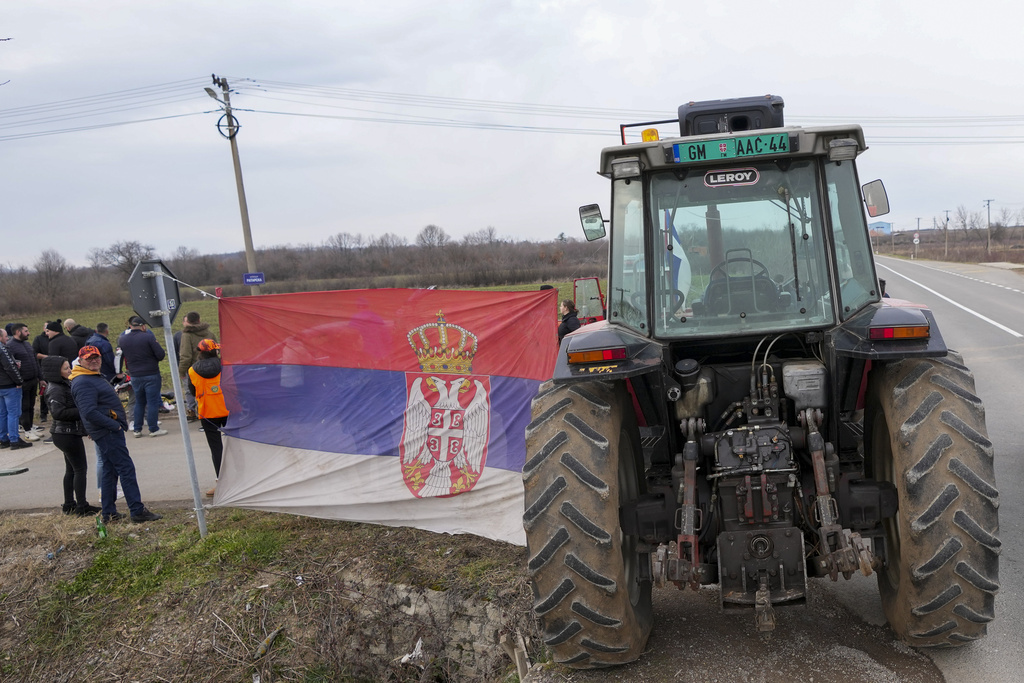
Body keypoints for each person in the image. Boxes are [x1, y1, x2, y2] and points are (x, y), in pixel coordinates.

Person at [70, 346, 162, 524]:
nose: (94, 361)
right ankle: (137, 511)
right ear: (80, 361)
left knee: (109, 471)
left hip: (106, 430)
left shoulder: (92, 376)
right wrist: (114, 425)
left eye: (96, 357)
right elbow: (88, 411)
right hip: (107, 431)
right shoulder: (83, 381)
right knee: (126, 468)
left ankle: (109, 513)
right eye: (89, 358)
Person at [41, 355, 101, 516]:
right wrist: (83, 410)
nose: (70, 370)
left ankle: (69, 504)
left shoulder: (63, 384)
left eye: (69, 367)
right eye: (66, 368)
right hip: (66, 434)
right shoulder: (55, 388)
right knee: (80, 469)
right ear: (57, 371)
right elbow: (58, 412)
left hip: (66, 433)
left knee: (71, 470)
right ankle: (82, 507)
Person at [187, 339, 229, 498]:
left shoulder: (192, 370)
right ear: (215, 351)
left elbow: (192, 391)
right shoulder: (226, 365)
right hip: (229, 409)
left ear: (200, 352)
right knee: (236, 445)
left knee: (216, 448)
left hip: (208, 413)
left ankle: (221, 483)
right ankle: (241, 480)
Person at [118, 316, 168, 438]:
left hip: (135, 375)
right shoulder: (148, 337)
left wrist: (119, 371)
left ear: (131, 326)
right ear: (143, 326)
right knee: (152, 402)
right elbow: (160, 355)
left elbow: (118, 356)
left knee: (139, 402)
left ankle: (137, 429)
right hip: (151, 374)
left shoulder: (123, 339)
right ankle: (153, 429)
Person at [6, 323, 43, 441]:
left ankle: (30, 427)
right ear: (18, 332)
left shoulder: (27, 344)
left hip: (33, 380)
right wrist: (17, 380)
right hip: (22, 382)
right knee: (24, 406)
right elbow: (10, 366)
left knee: (31, 406)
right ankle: (26, 431)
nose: (28, 333)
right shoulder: (10, 346)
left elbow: (35, 361)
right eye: (26, 331)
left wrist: (40, 377)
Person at [177, 312, 216, 422]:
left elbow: (186, 356)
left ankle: (192, 412)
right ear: (199, 320)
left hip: (194, 369)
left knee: (190, 391)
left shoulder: (187, 335)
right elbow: (216, 350)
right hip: (211, 367)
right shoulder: (209, 333)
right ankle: (208, 413)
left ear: (188, 321)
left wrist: (182, 371)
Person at [0, 327, 31, 450]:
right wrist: (19, 381)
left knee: (2, 413)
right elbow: (9, 367)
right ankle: (14, 439)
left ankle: (3, 439)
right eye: (5, 336)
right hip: (9, 385)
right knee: (13, 413)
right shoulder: (2, 349)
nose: (7, 339)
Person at [32, 324, 52, 423]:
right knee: (44, 392)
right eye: (46, 328)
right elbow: (34, 353)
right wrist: (46, 357)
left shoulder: (55, 339)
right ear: (43, 329)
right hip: (43, 368)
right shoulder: (38, 339)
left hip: (55, 369)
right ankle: (43, 414)